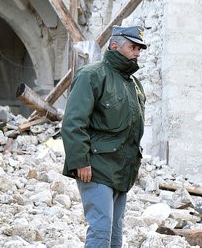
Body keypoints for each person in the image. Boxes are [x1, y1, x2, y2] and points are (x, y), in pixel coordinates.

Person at [62, 25, 147, 248]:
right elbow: (73, 122)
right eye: (133, 47)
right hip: (96, 168)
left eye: (139, 48)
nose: (137, 53)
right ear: (114, 45)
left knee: (115, 235)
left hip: (122, 170)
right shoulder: (92, 75)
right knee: (101, 231)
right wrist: (80, 160)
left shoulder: (134, 84)